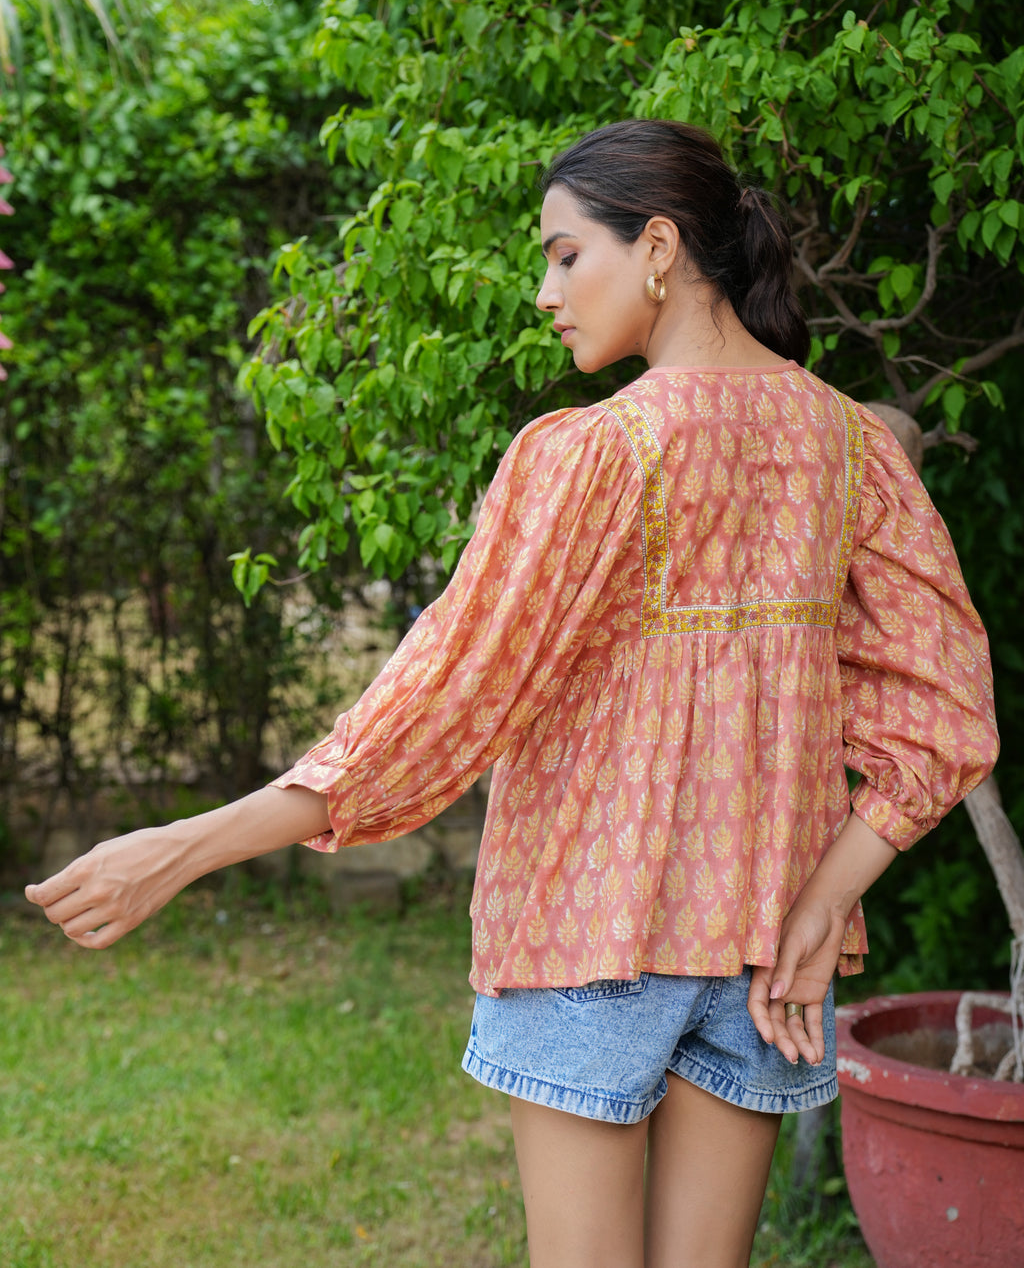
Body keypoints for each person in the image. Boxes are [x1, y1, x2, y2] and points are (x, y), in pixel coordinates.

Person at [25, 120, 998, 1268]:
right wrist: (821, 902)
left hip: (590, 940)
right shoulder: (852, 448)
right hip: (762, 950)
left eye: (562, 254)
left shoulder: (595, 454)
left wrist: (183, 847)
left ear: (657, 247)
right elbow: (941, 710)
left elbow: (442, 703)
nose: (544, 291)